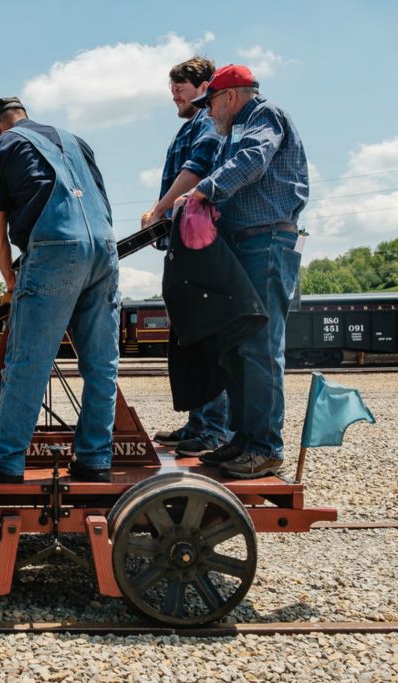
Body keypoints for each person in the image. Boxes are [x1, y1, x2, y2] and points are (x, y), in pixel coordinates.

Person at [0, 97, 118, 484]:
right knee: (101, 363)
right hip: (104, 247)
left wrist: (12, 282)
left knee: (29, 361)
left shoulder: (1, 148)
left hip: (54, 251)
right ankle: (95, 460)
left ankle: (5, 459)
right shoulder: (77, 142)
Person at [180, 64, 309, 479]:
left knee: (259, 344)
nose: (209, 111)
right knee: (236, 343)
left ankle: (266, 446)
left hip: (266, 241)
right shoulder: (228, 130)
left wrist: (204, 190)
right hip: (243, 243)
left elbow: (254, 159)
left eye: (212, 102)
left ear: (230, 96)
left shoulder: (262, 116)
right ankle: (243, 437)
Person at [141, 56, 232, 458]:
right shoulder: (191, 126)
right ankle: (199, 423)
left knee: (205, 333)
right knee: (190, 335)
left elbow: (196, 169)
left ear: (202, 87)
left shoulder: (205, 123)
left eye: (179, 90)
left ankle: (213, 429)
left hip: (199, 239)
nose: (174, 98)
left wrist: (159, 210)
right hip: (183, 238)